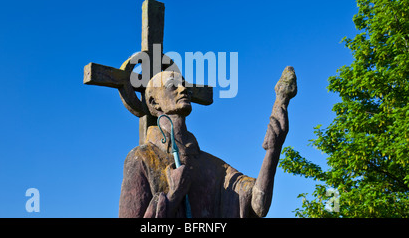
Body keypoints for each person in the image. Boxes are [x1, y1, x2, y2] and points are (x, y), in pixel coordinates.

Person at [119, 68, 297, 218]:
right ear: (153, 102)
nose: (183, 89)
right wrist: (173, 197)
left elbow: (258, 205)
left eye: (185, 85)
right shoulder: (141, 158)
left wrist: (273, 149)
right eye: (173, 86)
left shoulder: (214, 166)